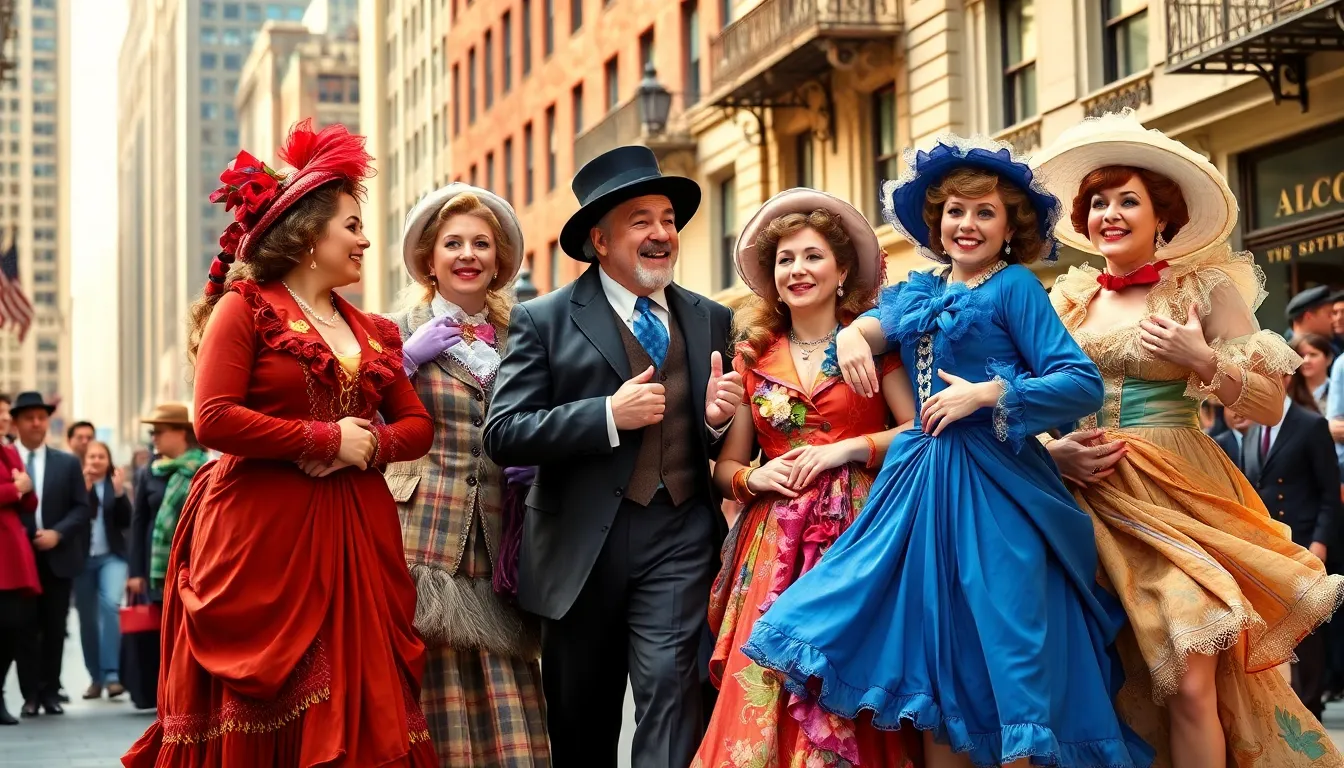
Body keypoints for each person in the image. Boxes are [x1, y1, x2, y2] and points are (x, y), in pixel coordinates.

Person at [746, 137, 1150, 768]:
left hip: (997, 490)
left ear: (1009, 225)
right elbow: (870, 333)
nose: (968, 224)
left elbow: (1079, 383)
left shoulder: (1014, 286)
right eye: (956, 211)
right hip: (921, 491)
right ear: (936, 221)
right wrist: (854, 330)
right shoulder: (918, 291)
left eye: (985, 212)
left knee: (1011, 651)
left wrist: (989, 394)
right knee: (936, 661)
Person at [1032, 111, 1344, 767]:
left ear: (1161, 215)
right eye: (1097, 202)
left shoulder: (1204, 289)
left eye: (1126, 200)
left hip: (1182, 495)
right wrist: (1053, 453)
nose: (1108, 214)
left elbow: (1267, 405)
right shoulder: (1070, 301)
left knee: (1192, 668)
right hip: (1085, 497)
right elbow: (1029, 400)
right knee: (1114, 669)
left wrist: (1201, 359)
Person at [122, 120, 437, 767]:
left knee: (363, 705)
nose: (365, 240)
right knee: (277, 707)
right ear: (306, 234)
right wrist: (322, 438)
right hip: (262, 537)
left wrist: (366, 447)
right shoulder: (246, 309)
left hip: (358, 536)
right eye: (351, 225)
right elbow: (211, 418)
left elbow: (417, 426)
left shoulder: (372, 329)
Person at [484, 145, 744, 768]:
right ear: (600, 241)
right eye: (641, 221)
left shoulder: (712, 318)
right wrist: (606, 415)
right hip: (579, 547)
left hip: (679, 534)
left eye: (667, 220)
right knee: (582, 719)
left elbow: (715, 438)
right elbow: (504, 432)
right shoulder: (542, 319)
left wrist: (714, 422)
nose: (661, 234)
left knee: (672, 694)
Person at [692, 189, 920, 767]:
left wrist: (847, 450)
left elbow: (918, 431)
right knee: (765, 682)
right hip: (775, 545)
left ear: (841, 270)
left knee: (846, 681)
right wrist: (754, 481)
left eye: (813, 256)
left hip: (859, 537)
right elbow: (725, 468)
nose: (798, 270)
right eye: (786, 259)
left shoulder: (875, 345)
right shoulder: (752, 357)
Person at [383, 183, 548, 766]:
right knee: (427, 676)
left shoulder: (523, 334)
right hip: (417, 529)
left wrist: (537, 453)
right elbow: (352, 413)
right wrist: (403, 359)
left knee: (505, 683)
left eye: (481, 243)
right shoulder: (392, 331)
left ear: (499, 260)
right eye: (453, 243)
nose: (468, 254)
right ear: (430, 259)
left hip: (501, 534)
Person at [1239, 338, 1342, 721]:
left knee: (1308, 635)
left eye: (1265, 373)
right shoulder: (1251, 431)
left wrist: (1320, 542)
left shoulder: (1311, 424)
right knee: (1273, 631)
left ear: (1283, 378)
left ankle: (1310, 711)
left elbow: (1329, 494)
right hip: (1266, 547)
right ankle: (1286, 712)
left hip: (1303, 545)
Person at [11, 391, 90, 718]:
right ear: (15, 422)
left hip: (56, 557)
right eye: (28, 417)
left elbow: (81, 508)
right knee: (23, 627)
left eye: (41, 417)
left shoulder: (67, 462)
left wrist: (58, 534)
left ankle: (50, 690)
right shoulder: (5, 460)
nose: (35, 423)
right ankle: (29, 694)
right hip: (17, 560)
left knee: (55, 626)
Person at [124, 403, 206, 711]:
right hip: (158, 570)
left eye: (159, 431)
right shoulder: (150, 472)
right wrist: (135, 571)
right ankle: (165, 697)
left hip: (194, 568)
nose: (154, 438)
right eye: (152, 432)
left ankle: (190, 696)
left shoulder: (203, 470)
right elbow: (138, 522)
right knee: (161, 636)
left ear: (181, 433)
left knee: (189, 634)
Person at [73, 439, 131, 700]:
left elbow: (127, 521)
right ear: (84, 461)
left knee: (110, 605)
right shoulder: (75, 486)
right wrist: (81, 494)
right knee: (86, 619)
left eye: (101, 457)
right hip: (83, 560)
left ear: (108, 462)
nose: (96, 461)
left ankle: (112, 675)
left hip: (112, 557)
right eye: (91, 457)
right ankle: (95, 678)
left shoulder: (115, 486)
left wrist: (119, 495)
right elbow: (70, 522)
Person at [0, 429, 38, 725]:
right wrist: (16, 488)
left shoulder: (10, 451)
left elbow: (29, 501)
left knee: (13, 624)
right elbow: (19, 490)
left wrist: (24, 488)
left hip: (11, 553)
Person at [1292, 333, 1334, 412]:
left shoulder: (1337, 391)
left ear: (1328, 359)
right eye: (1301, 355)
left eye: (1313, 355)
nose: (1306, 361)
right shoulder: (1290, 393)